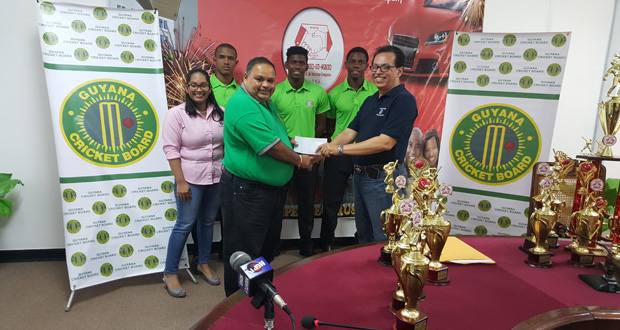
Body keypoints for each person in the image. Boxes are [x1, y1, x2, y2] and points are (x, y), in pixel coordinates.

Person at [220, 57, 318, 296]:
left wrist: (292, 143)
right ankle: (237, 303)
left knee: (263, 249)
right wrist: (300, 160)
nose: (266, 85)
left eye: (271, 80)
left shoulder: (266, 104)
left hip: (268, 192)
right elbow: (271, 146)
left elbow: (276, 136)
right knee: (244, 252)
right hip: (247, 192)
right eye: (259, 79)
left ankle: (257, 295)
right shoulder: (243, 104)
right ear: (245, 78)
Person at [316, 45, 418, 243]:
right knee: (364, 235)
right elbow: (349, 131)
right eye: (376, 67)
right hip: (361, 177)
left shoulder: (404, 100)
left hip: (384, 181)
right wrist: (323, 151)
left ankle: (387, 274)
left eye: (385, 67)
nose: (379, 73)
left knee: (385, 238)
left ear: (399, 71)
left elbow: (385, 142)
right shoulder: (371, 101)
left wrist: (338, 149)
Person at [162, 68, 224, 298]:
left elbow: (225, 144)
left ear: (210, 88)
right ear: (186, 88)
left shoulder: (220, 113)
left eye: (203, 85)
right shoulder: (176, 114)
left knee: (207, 222)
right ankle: (170, 272)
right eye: (194, 85)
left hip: (215, 177)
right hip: (189, 180)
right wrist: (180, 181)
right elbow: (171, 149)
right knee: (185, 224)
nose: (199, 89)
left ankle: (203, 263)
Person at [271, 46, 330, 257]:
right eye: (293, 62)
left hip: (307, 159)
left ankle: (306, 245)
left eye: (301, 62)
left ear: (307, 66)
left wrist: (308, 147)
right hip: (280, 157)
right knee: (276, 204)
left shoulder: (318, 93)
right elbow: (269, 126)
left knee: (307, 204)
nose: (297, 66)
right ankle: (273, 245)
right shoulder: (274, 92)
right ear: (286, 64)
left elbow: (321, 127)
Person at [321, 47, 377, 252]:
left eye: (360, 62)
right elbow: (329, 126)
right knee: (331, 203)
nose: (356, 65)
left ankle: (364, 241)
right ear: (346, 64)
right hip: (338, 155)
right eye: (352, 61)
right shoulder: (334, 94)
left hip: (366, 154)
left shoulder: (376, 93)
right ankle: (327, 242)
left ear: (366, 66)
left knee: (366, 202)